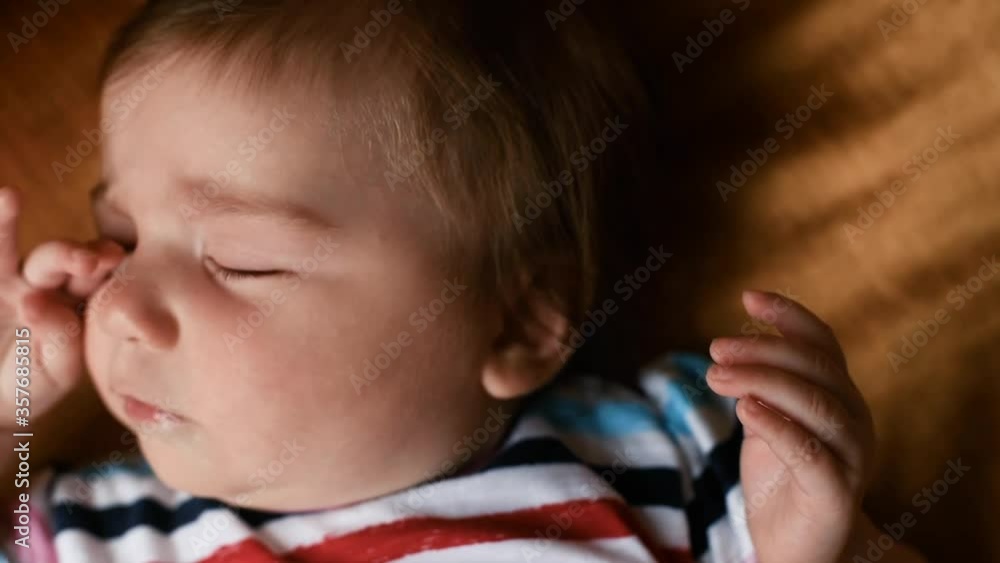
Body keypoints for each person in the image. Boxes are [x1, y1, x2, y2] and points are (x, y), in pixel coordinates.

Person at [0, 1, 926, 561]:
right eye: (116, 236)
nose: (116, 303)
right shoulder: (106, 532)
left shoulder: (679, 457)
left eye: (240, 259)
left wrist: (832, 544)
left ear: (517, 323)